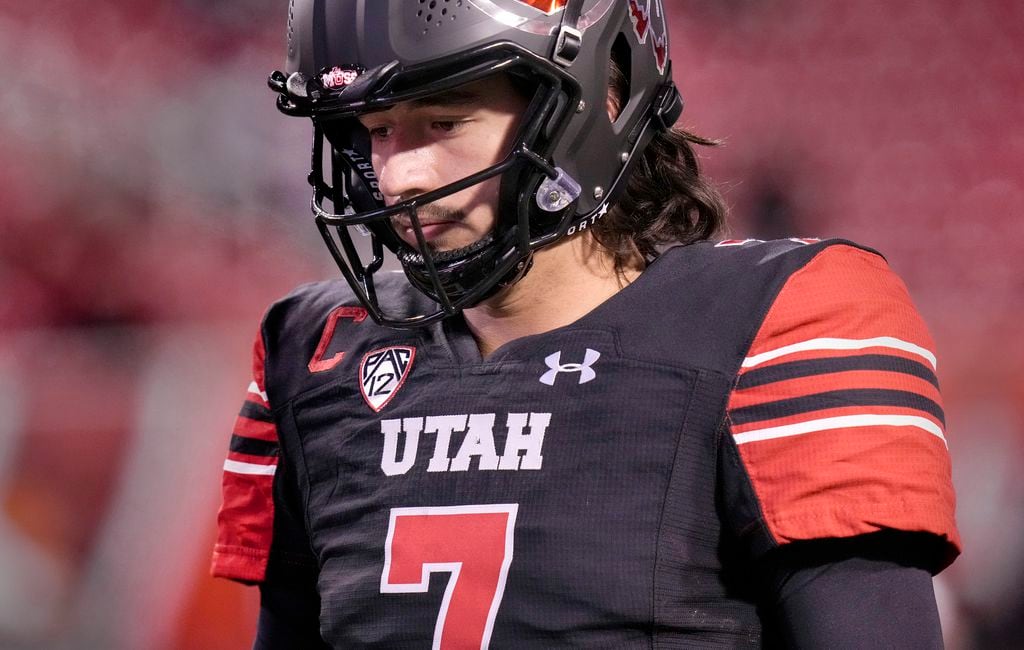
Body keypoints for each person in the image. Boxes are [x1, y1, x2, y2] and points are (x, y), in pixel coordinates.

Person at [212, 1, 960, 647]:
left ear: (592, 103)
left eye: (444, 120)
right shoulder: (312, 354)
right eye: (375, 130)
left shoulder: (780, 320)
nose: (400, 175)